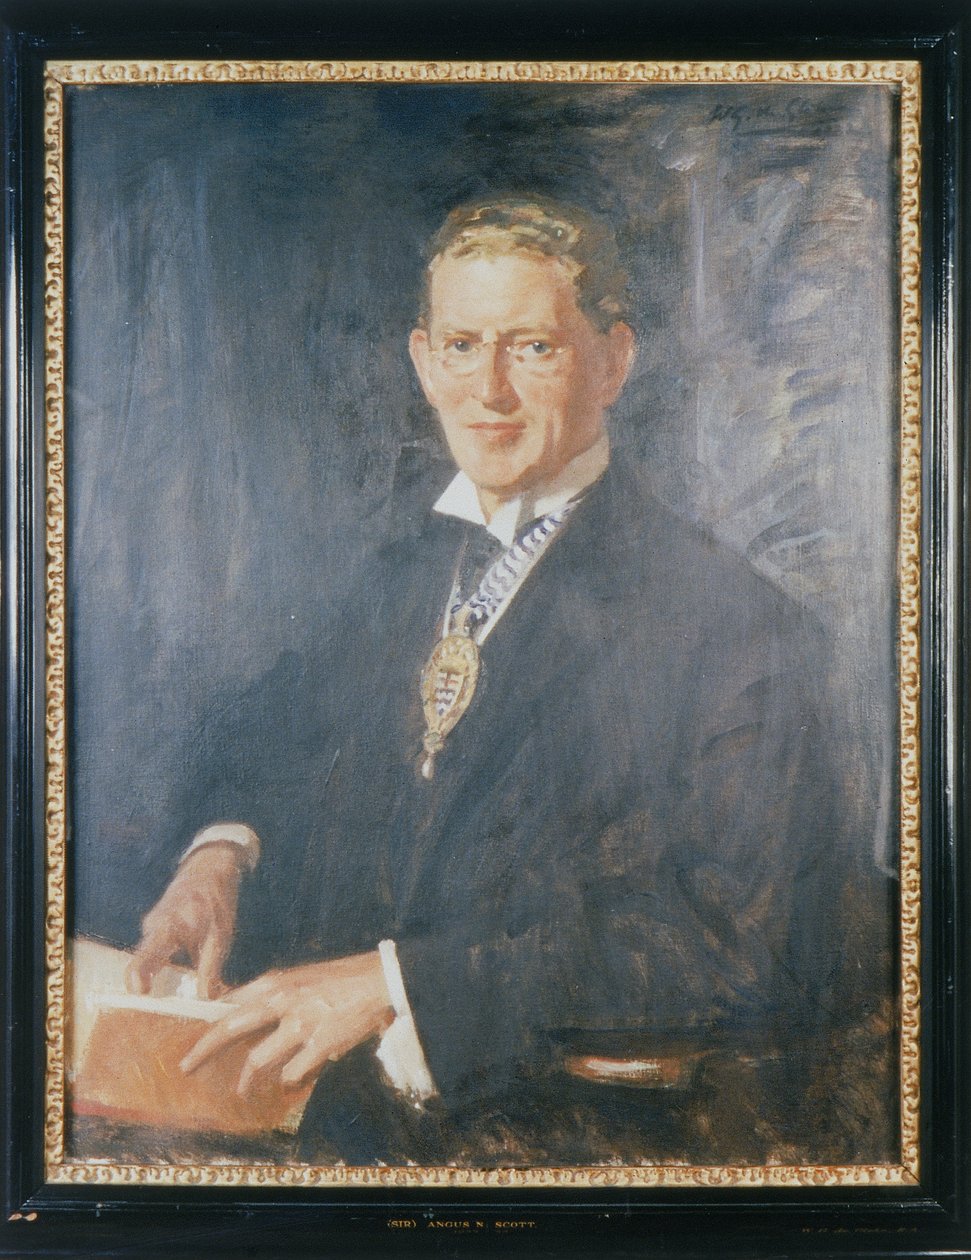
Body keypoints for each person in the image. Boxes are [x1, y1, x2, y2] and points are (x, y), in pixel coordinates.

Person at [128, 197, 890, 1166]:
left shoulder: (738, 629)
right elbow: (265, 733)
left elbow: (750, 943)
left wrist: (398, 986)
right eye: (461, 346)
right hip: (338, 1128)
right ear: (421, 361)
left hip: (579, 1151)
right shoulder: (398, 578)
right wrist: (216, 858)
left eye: (532, 347)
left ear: (612, 363)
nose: (488, 390)